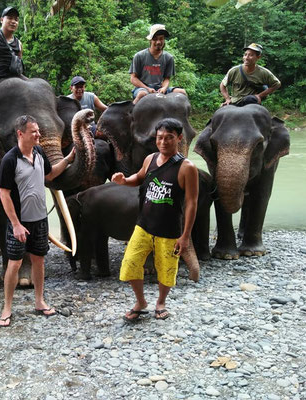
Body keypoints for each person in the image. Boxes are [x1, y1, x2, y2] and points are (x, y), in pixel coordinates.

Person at [111, 118, 198, 321]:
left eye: (169, 138)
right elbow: (139, 177)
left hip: (169, 229)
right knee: (130, 263)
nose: (164, 142)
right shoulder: (150, 159)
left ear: (179, 138)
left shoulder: (187, 167)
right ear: (155, 138)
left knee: (166, 269)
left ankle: (161, 302)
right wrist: (124, 181)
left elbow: (192, 203)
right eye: (160, 138)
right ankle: (141, 301)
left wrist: (185, 236)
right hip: (144, 225)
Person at [0, 115, 76, 327]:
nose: (39, 134)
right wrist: (15, 224)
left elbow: (49, 175)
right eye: (34, 131)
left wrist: (68, 159)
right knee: (14, 264)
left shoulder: (39, 152)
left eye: (38, 131)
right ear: (20, 134)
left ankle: (40, 301)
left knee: (39, 260)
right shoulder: (10, 160)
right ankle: (7, 307)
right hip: (19, 222)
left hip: (40, 219)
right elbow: (4, 194)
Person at [129, 24, 186, 104]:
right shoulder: (139, 56)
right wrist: (148, 88)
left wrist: (164, 88)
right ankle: (131, 114)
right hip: (143, 89)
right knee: (142, 94)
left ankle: (181, 116)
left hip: (160, 89)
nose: (158, 42)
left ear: (164, 40)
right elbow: (133, 78)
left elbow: (167, 78)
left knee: (182, 92)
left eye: (161, 39)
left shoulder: (169, 58)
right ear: (150, 40)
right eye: (155, 39)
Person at [220, 43, 281, 107]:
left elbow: (277, 84)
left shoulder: (263, 72)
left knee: (260, 112)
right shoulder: (234, 70)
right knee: (220, 114)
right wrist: (227, 99)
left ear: (258, 57)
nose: (246, 58)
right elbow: (222, 85)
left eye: (251, 55)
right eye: (245, 54)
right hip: (235, 102)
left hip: (252, 102)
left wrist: (259, 96)